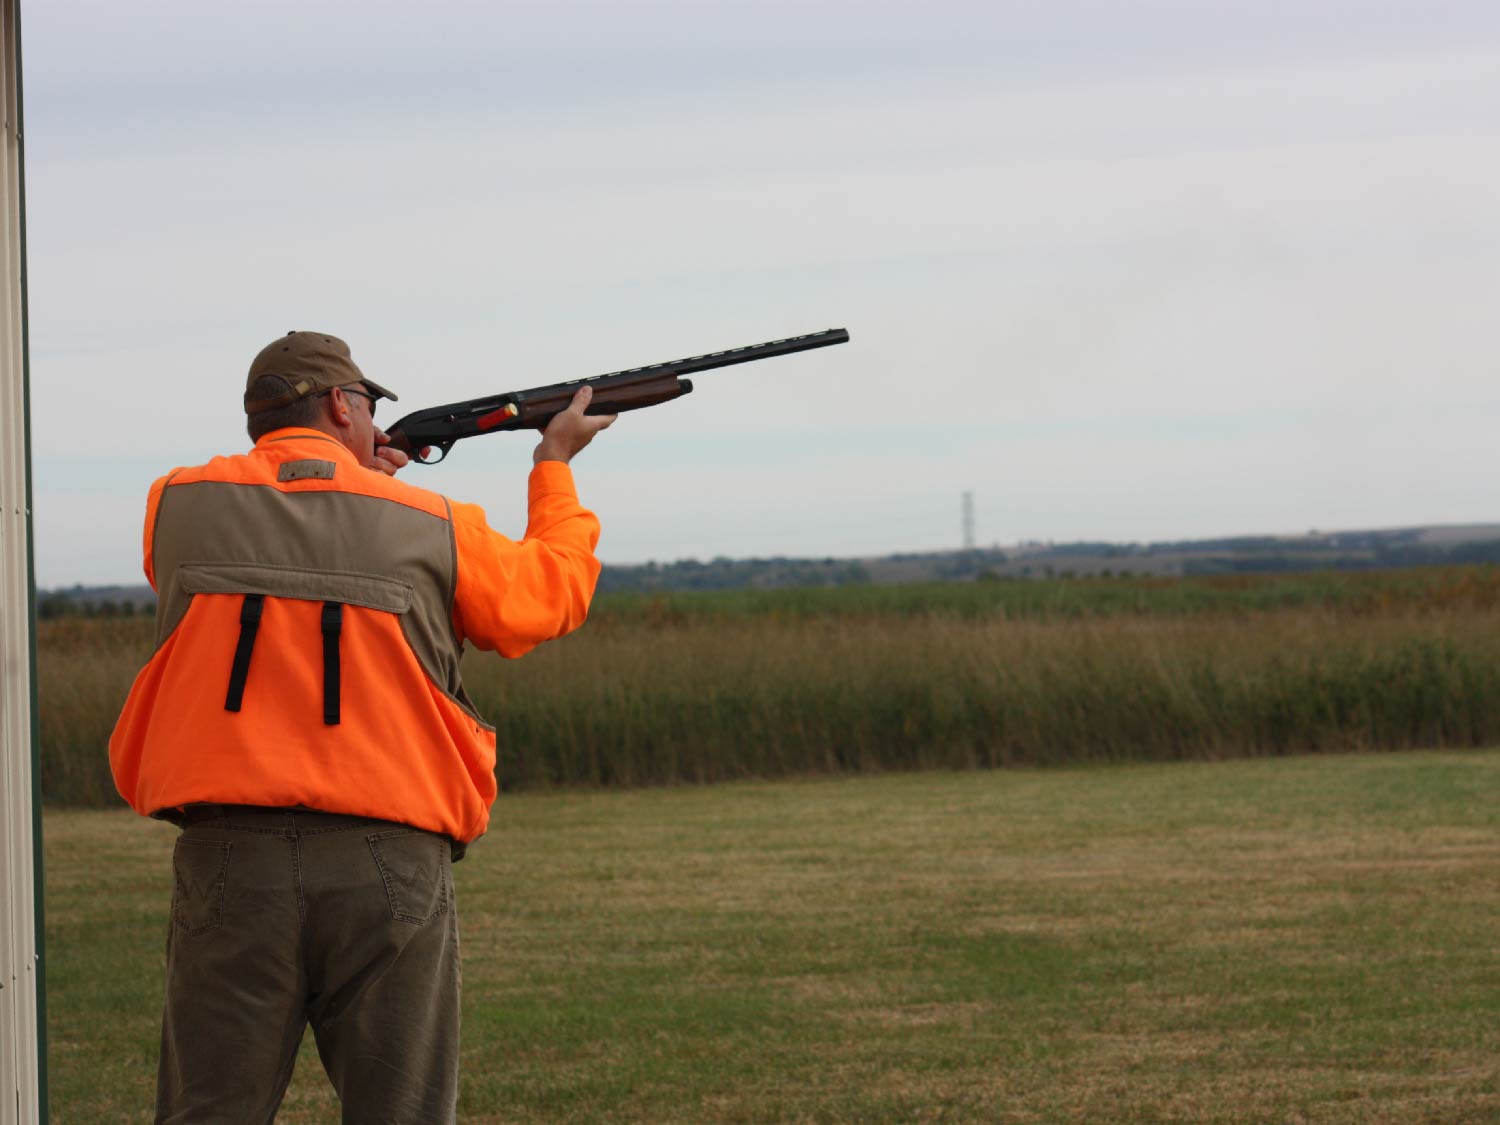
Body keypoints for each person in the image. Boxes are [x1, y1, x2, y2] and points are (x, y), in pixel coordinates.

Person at [109, 330, 614, 1123]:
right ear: (343, 405)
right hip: (390, 863)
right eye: (371, 403)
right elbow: (547, 597)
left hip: (226, 858)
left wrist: (346, 484)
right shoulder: (430, 519)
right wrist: (553, 466)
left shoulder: (174, 503)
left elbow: (242, 553)